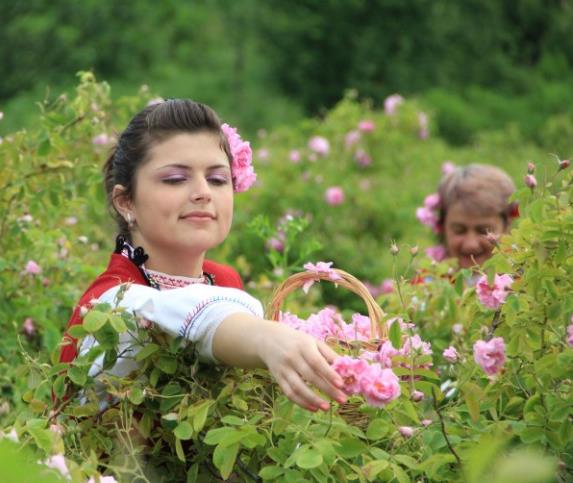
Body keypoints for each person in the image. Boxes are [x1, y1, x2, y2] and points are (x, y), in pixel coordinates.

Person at [59, 99, 346, 412]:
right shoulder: (110, 301)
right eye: (175, 179)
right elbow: (180, 317)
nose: (203, 192)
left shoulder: (223, 280)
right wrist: (266, 338)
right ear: (126, 202)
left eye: (218, 179)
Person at [420, 163, 517, 269]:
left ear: (507, 226)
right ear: (442, 226)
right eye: (459, 230)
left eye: (484, 231)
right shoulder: (426, 282)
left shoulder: (525, 278)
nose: (471, 244)